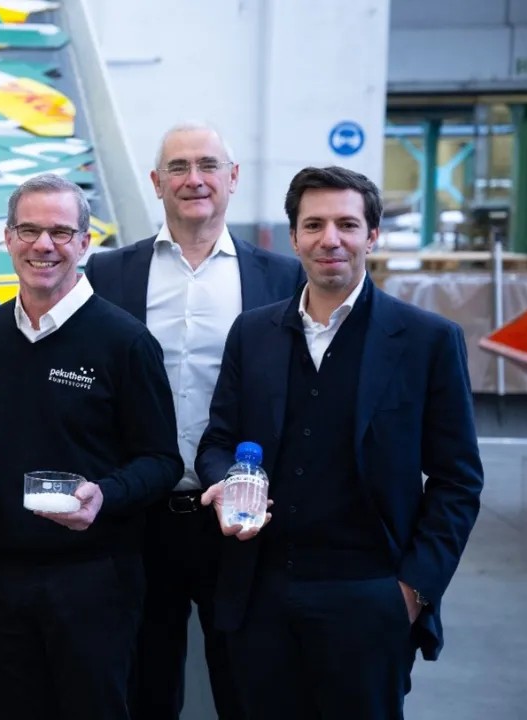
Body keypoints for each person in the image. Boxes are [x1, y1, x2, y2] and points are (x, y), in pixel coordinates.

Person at [196, 166, 484, 719]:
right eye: (314, 225)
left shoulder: (427, 340)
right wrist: (224, 482)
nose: (330, 239)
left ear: (371, 236)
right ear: (294, 237)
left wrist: (413, 592)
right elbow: (218, 442)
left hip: (370, 598)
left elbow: (458, 481)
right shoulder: (251, 333)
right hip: (258, 595)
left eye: (347, 225)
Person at [84, 122, 303, 720]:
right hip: (136, 516)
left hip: (239, 516)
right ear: (157, 183)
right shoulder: (108, 274)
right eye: (178, 167)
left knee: (245, 683)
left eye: (208, 165)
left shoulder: (281, 278)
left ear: (233, 178)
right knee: (143, 688)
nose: (194, 179)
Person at [0, 173, 184, 720]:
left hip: (94, 579)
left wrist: (104, 494)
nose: (44, 245)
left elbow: (162, 461)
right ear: (8, 238)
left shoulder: (125, 341)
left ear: (84, 243)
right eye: (29, 230)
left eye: (60, 232)